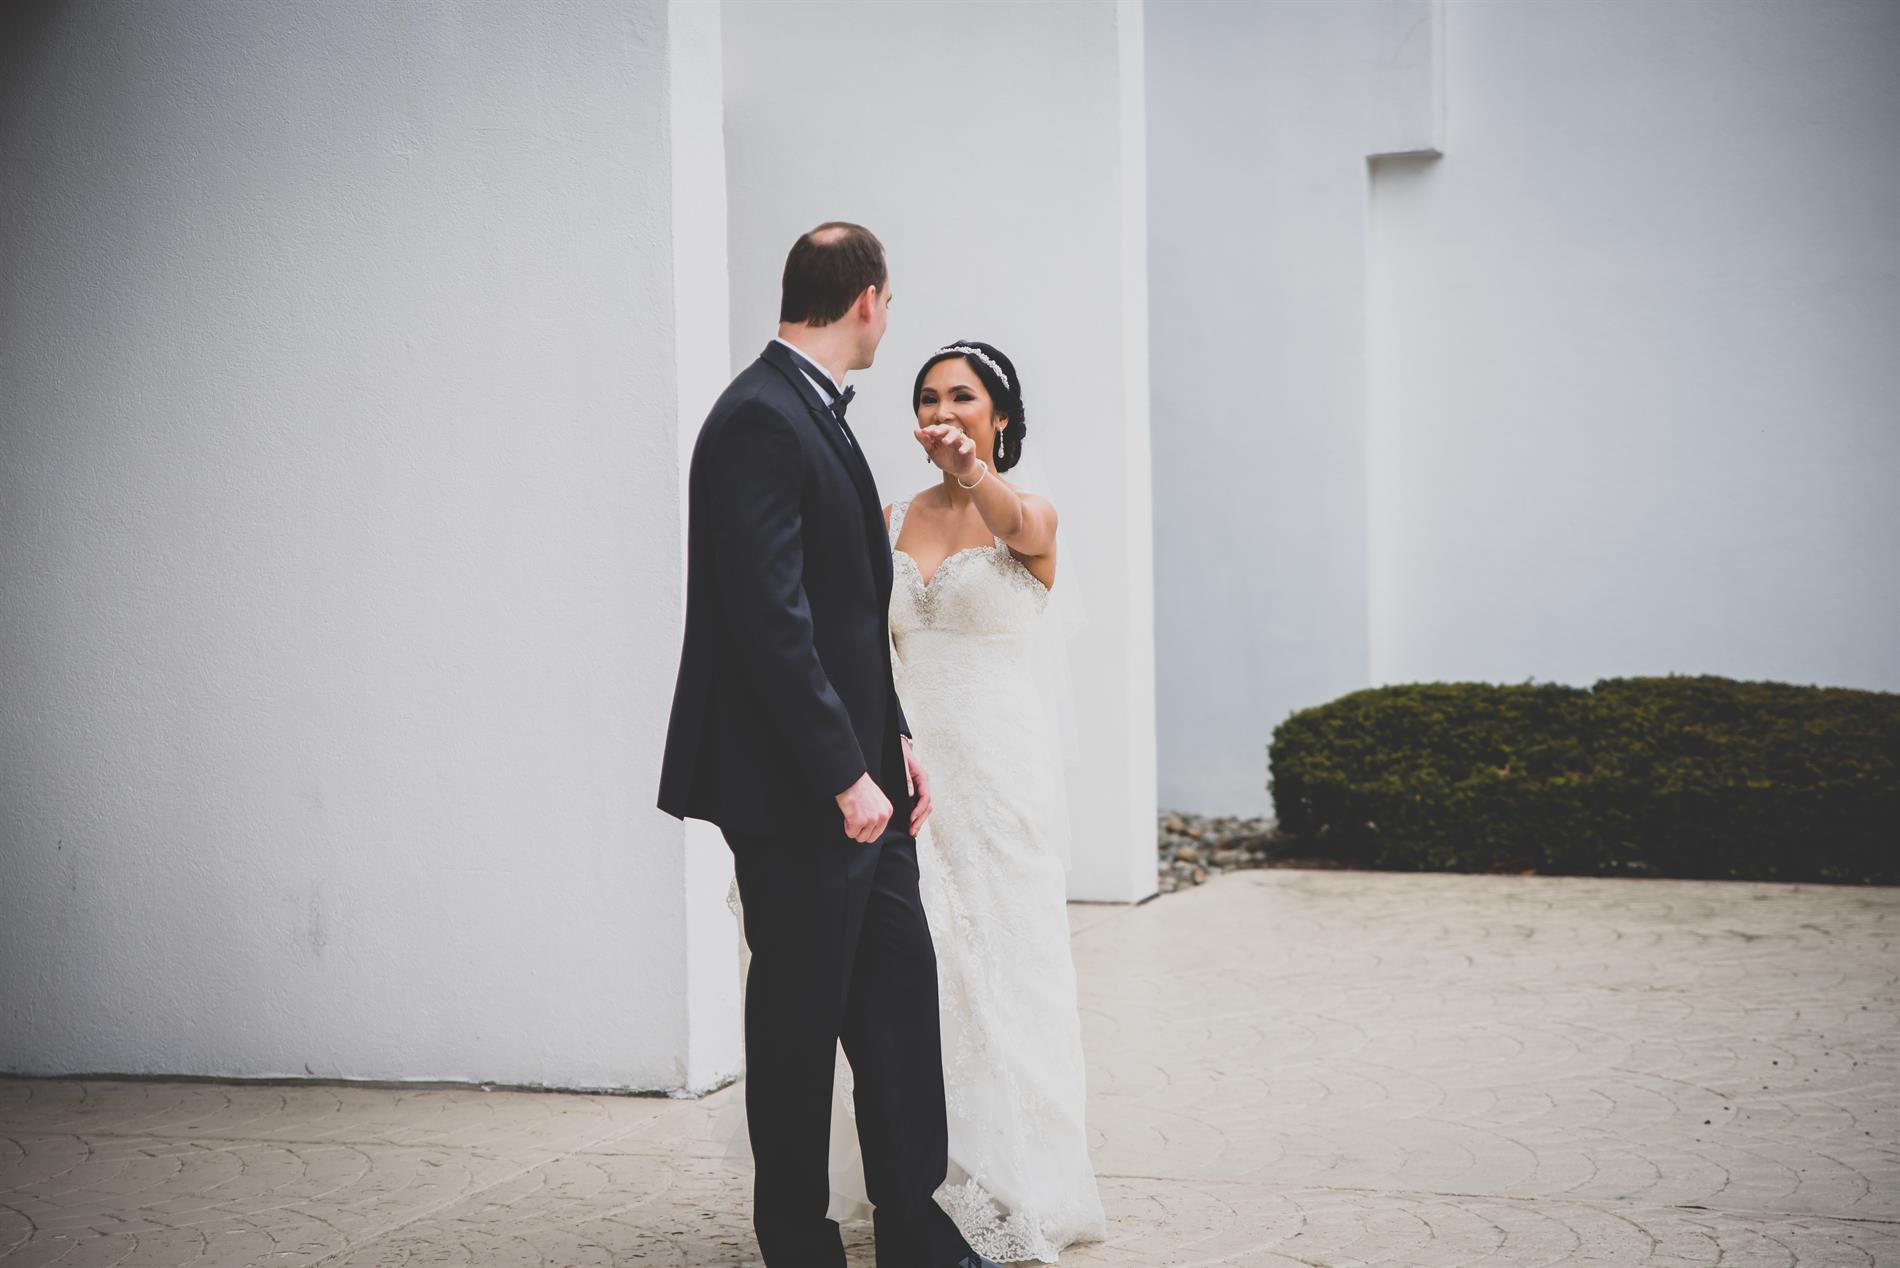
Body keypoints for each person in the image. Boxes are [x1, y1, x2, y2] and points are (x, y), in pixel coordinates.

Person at [658, 225, 1000, 1268]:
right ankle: (798, 1246)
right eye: (887, 303)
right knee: (799, 1029)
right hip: (798, 792)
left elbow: (846, 613)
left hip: (865, 779)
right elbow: (769, 621)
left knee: (897, 1000)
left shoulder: (812, 408)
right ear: (865, 300)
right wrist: (843, 772)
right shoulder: (759, 418)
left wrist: (892, 741)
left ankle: (916, 1233)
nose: (887, 320)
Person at [826, 341, 1108, 1263]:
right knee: (917, 979)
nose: (941, 411)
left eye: (962, 396)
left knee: (1006, 969)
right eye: (927, 398)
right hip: (909, 772)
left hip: (997, 776)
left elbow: (1016, 525)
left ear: (1001, 415)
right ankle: (923, 1185)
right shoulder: (889, 518)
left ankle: (1020, 1182)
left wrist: (972, 473)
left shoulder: (1029, 512)